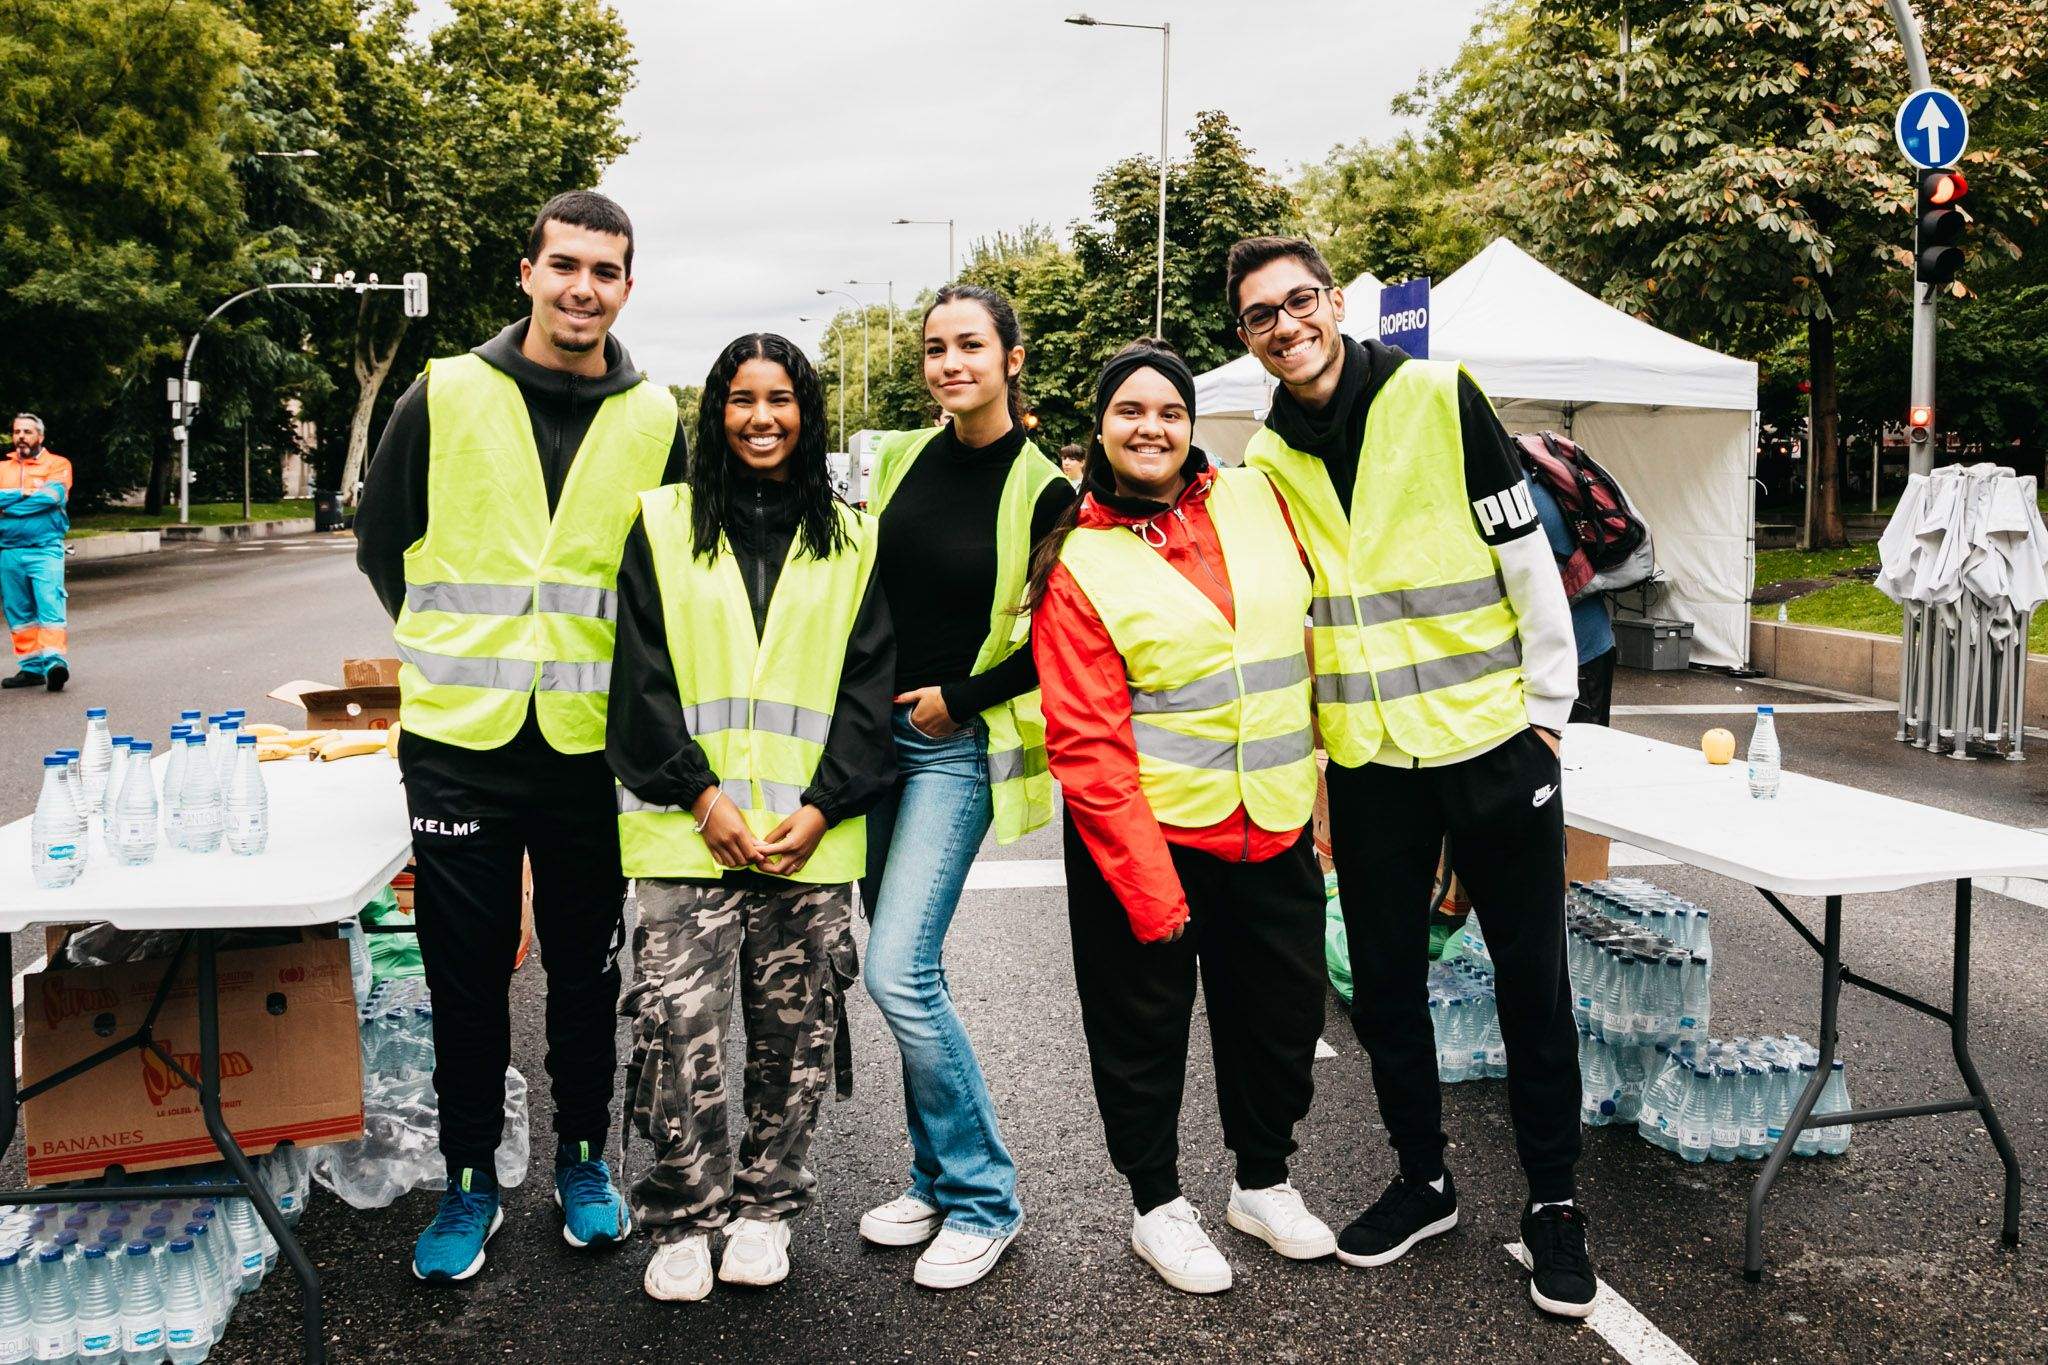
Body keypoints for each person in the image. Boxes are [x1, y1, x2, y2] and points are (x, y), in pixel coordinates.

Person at [1229, 236, 1595, 1318]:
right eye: (1260, 316)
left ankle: (1553, 1206)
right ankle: (1422, 1177)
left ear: (1334, 303)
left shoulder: (1440, 395)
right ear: (1245, 338)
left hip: (1492, 741)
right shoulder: (1264, 461)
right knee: (1386, 984)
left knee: (1532, 981)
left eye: (1299, 301)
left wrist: (1546, 720)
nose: (1286, 325)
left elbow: (1522, 553)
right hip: (1372, 760)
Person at [356, 191, 687, 1282]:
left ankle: (584, 1163)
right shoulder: (444, 392)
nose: (583, 286)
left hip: (590, 746)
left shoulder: (653, 417)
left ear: (626, 286)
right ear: (527, 272)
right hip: (462, 742)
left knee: (589, 974)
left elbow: (668, 578)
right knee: (464, 975)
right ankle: (467, 1182)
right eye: (566, 265)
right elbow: (384, 546)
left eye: (606, 270)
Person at [1029, 340, 1335, 1294]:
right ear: (1100, 427)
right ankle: (1157, 1204)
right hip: (1147, 842)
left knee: (1280, 1022)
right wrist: (1152, 891)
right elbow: (1086, 742)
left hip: (1274, 822)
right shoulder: (1079, 557)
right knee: (1144, 1031)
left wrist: (1323, 812)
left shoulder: (1256, 498)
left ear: (1193, 422)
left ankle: (1263, 1180)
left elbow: (1308, 651)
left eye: (1168, 410)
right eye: (1130, 411)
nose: (1151, 427)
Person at [607, 333, 894, 1303]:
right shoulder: (661, 523)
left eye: (780, 400)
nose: (761, 418)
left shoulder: (853, 537)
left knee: (794, 1039)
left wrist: (821, 808)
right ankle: (684, 1217)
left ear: (806, 414)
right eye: (740, 399)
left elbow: (868, 689)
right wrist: (702, 798)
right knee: (676, 1033)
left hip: (806, 844)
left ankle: (766, 1210)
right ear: (714, 411)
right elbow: (638, 683)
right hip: (685, 833)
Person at [856, 283, 1071, 1289]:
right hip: (871, 750)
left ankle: (985, 1196)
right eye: (936, 348)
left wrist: (959, 696)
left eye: (970, 345)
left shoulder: (1044, 489)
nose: (950, 363)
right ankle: (934, 1177)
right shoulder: (899, 458)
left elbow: (1061, 640)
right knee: (913, 980)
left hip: (950, 750)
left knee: (895, 970)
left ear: (1011, 358)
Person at [1528, 478, 1618, 725]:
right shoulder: (1535, 476)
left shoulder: (1514, 489)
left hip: (1580, 650)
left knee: (1584, 752)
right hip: (1584, 644)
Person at [1, 414, 73, 691]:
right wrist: (27, 496)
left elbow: (50, 498)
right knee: (18, 612)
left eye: (28, 431)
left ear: (40, 437)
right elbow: (37, 500)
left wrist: (6, 505)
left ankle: (55, 663)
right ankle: (30, 668)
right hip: (8, 550)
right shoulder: (2, 469)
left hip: (45, 549)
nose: (21, 436)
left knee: (49, 606)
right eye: (17, 431)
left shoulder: (58, 464)